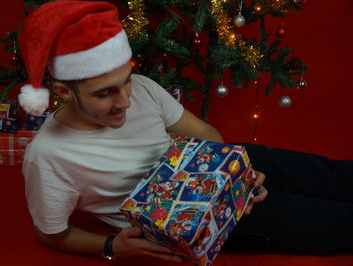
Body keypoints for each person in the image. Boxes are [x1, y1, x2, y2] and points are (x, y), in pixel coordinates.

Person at [18, 0, 352, 262]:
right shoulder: (48, 156)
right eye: (104, 93)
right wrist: (110, 246)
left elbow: (207, 133)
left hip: (212, 168)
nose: (125, 101)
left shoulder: (144, 88)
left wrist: (234, 175)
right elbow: (48, 233)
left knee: (331, 174)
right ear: (64, 92)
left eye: (125, 82)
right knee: (338, 222)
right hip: (188, 222)